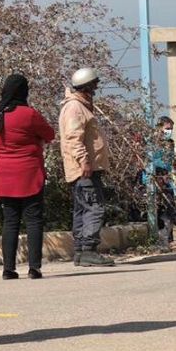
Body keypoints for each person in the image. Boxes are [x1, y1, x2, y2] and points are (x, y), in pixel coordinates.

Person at [0, 73, 55, 280]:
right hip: (28, 173)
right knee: (33, 220)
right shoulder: (29, 114)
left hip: (4, 175)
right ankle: (34, 267)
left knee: (10, 221)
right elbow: (49, 134)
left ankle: (8, 269)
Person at [59, 67, 114, 267]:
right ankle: (89, 250)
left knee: (82, 209)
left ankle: (81, 251)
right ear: (87, 86)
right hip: (84, 169)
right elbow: (74, 138)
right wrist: (84, 161)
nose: (96, 88)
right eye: (94, 85)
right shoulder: (75, 107)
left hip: (84, 168)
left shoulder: (80, 106)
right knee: (94, 208)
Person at [152, 116, 176, 248]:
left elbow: (172, 160)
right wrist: (157, 176)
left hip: (167, 180)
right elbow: (148, 162)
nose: (169, 131)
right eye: (167, 129)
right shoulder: (152, 143)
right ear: (159, 128)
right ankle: (160, 239)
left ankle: (169, 239)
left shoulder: (170, 143)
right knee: (159, 210)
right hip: (155, 179)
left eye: (171, 129)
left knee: (170, 208)